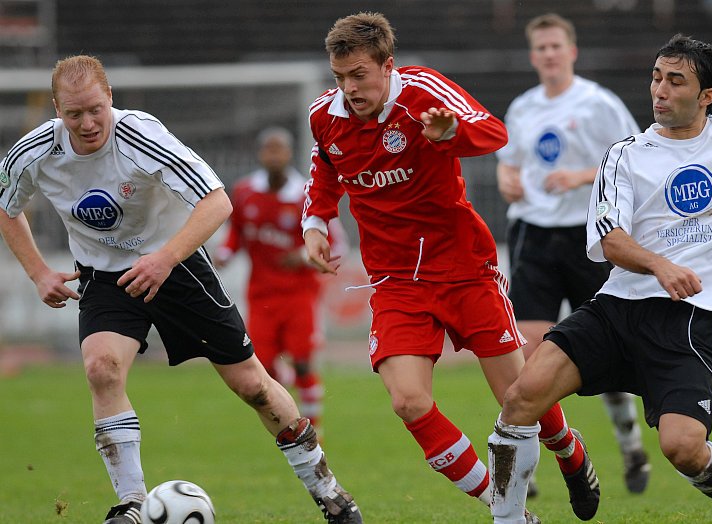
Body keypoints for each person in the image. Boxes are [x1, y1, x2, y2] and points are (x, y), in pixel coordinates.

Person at [0, 55, 361, 524]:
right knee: (101, 369)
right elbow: (7, 205)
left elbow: (217, 201)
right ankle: (130, 503)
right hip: (106, 277)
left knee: (253, 385)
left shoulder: (142, 135)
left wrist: (165, 258)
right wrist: (38, 272)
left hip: (176, 265)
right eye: (73, 114)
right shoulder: (32, 152)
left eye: (95, 109)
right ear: (56, 110)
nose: (87, 123)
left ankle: (329, 493)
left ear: (110, 98)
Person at [302, 12, 598, 523]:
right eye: (339, 77)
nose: (348, 88)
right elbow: (324, 171)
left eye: (359, 75)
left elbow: (494, 132)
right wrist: (315, 223)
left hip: (464, 268)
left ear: (387, 66)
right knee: (409, 403)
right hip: (395, 282)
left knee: (518, 396)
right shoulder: (324, 116)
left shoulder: (422, 90)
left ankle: (569, 450)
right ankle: (508, 511)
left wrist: (450, 133)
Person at [489, 34, 712, 523]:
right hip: (618, 306)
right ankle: (510, 519)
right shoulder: (625, 154)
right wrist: (660, 264)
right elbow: (611, 239)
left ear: (706, 96)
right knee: (521, 397)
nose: (660, 90)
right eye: (656, 77)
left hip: (695, 317)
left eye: (675, 81)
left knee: (683, 447)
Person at [495, 13, 650, 497]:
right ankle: (530, 459)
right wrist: (507, 180)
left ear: (572, 50)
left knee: (605, 349)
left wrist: (581, 176)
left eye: (555, 46)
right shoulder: (522, 108)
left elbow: (634, 155)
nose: (548, 54)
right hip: (535, 238)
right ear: (532, 55)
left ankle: (630, 445)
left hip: (588, 239)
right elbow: (507, 165)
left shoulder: (598, 102)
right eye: (540, 47)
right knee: (530, 354)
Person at [215, 126, 347, 431]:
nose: (274, 155)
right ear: (261, 154)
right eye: (268, 149)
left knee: (302, 362)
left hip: (299, 294)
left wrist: (302, 256)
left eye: (279, 149)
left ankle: (314, 429)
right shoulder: (246, 191)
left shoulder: (306, 195)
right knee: (261, 367)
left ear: (289, 154)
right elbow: (237, 232)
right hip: (260, 294)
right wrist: (225, 251)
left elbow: (335, 243)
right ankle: (290, 423)